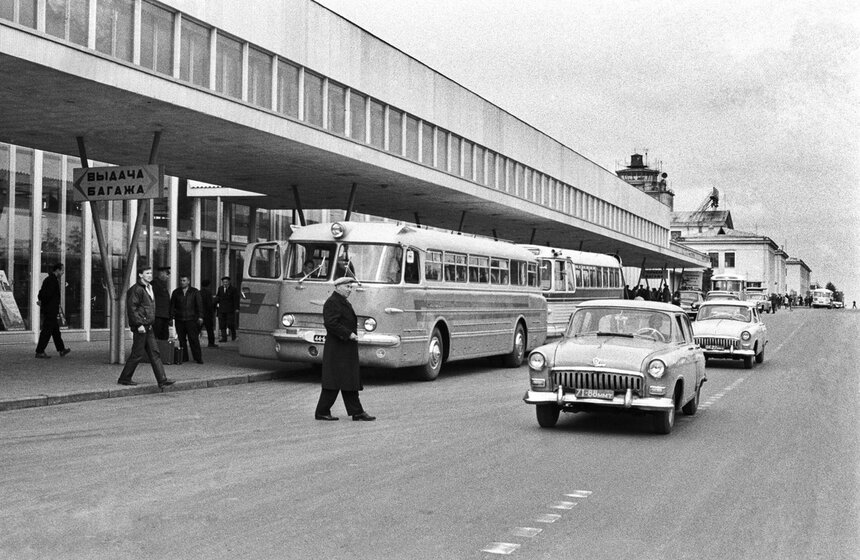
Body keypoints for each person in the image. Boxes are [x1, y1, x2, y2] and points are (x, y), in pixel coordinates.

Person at [315, 277, 375, 421]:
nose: (350, 290)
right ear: (338, 286)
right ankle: (322, 411)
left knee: (349, 380)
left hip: (344, 347)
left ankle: (357, 412)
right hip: (337, 348)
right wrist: (348, 334)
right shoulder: (333, 302)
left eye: (351, 287)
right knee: (334, 380)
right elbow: (330, 323)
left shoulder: (341, 301)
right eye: (347, 287)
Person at [117, 265, 175, 388]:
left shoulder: (149, 288)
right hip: (142, 327)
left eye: (150, 273)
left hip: (148, 326)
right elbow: (132, 308)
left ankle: (162, 380)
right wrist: (139, 324)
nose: (150, 275)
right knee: (137, 354)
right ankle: (124, 378)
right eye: (147, 273)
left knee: (155, 353)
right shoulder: (137, 289)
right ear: (140, 275)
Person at [35, 263, 70, 359]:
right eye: (62, 270)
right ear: (57, 270)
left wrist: (42, 301)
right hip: (50, 310)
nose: (63, 273)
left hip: (50, 309)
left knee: (55, 331)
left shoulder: (50, 279)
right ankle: (40, 351)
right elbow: (47, 294)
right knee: (47, 331)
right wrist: (44, 302)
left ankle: (61, 349)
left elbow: (41, 293)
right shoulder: (52, 280)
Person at [170, 275, 204, 364]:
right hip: (179, 319)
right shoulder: (176, 292)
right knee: (181, 339)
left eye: (184, 280)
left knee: (193, 339)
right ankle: (184, 357)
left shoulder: (194, 292)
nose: (182, 282)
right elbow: (172, 305)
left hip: (191, 319)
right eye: (181, 280)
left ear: (188, 281)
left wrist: (200, 316)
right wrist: (171, 317)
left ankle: (198, 357)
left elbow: (199, 304)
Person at [216, 276, 240, 342]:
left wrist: (237, 308)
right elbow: (218, 297)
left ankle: (233, 336)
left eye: (226, 282)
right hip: (222, 309)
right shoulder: (220, 289)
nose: (225, 283)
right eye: (224, 282)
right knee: (222, 324)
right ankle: (224, 337)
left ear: (229, 282)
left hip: (230, 309)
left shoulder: (233, 289)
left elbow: (236, 299)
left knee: (230, 323)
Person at [151, 266, 172, 341]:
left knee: (164, 336)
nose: (167, 276)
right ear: (161, 273)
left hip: (163, 315)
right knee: (157, 336)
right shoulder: (154, 284)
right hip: (157, 315)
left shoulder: (162, 284)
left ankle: (162, 351)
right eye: (167, 274)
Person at [199, 279, 218, 348]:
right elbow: (210, 304)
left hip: (200, 313)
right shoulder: (208, 293)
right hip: (207, 314)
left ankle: (194, 341)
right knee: (210, 329)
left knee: (197, 329)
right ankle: (211, 343)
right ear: (208, 285)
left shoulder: (199, 292)